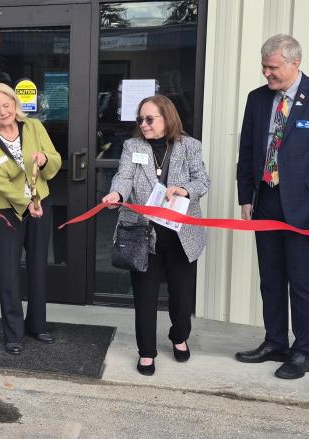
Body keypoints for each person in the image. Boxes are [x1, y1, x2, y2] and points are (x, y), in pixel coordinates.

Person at [234, 34, 309, 379]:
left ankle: (302, 351)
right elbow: (248, 150)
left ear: (295, 63)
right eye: (264, 66)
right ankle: (274, 342)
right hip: (266, 198)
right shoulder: (257, 99)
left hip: (305, 205)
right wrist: (245, 196)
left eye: (273, 67)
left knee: (301, 280)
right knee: (270, 278)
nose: (267, 73)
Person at [101, 95, 210, 376]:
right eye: (140, 119)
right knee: (145, 295)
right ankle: (146, 352)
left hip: (181, 234)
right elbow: (124, 177)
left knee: (182, 297)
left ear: (167, 118)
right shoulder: (132, 146)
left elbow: (202, 180)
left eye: (150, 119)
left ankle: (179, 335)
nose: (144, 124)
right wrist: (117, 193)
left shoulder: (190, 146)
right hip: (142, 232)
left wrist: (184, 189)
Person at [0, 82, 62, 355]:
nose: (3, 112)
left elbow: (55, 158)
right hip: (8, 213)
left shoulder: (35, 127)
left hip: (41, 205)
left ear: (15, 104)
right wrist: (28, 203)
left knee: (38, 265)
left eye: (6, 105)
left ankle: (37, 325)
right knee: (9, 273)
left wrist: (44, 160)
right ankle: (13, 333)